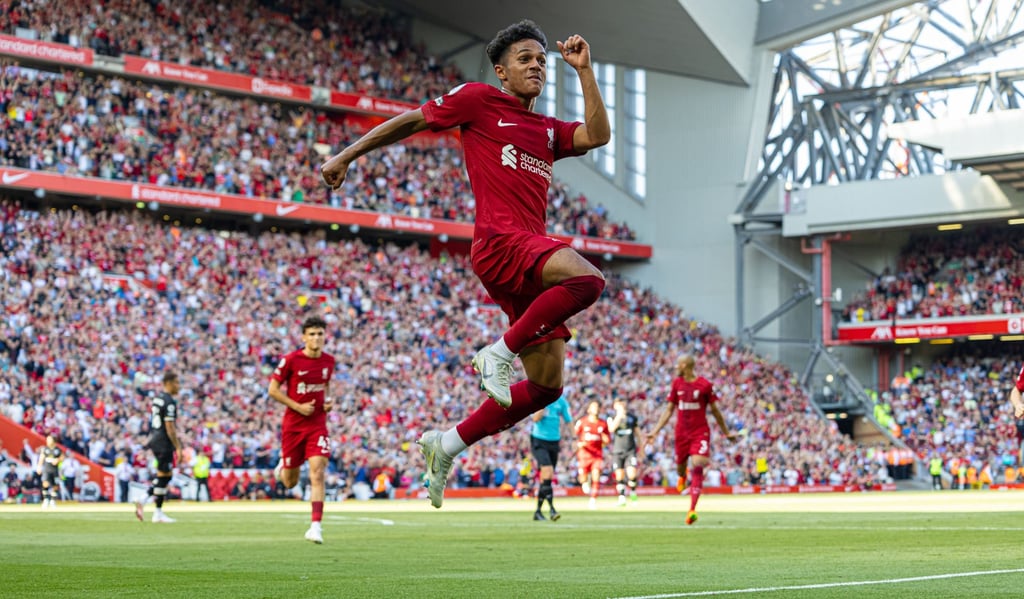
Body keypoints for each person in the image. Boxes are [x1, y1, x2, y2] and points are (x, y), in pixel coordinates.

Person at [320, 19, 610, 510]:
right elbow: (413, 120)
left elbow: (598, 135)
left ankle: (447, 443)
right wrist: (348, 155)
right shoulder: (478, 100)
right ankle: (496, 353)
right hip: (501, 243)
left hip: (528, 256)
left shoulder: (546, 131)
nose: (537, 65)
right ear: (501, 71)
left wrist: (584, 72)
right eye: (525, 59)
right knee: (588, 278)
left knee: (546, 387)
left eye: (542, 60)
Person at [268, 315, 336, 543]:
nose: (317, 338)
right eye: (312, 334)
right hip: (293, 427)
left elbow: (326, 386)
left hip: (317, 425)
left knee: (318, 472)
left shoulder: (329, 361)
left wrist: (329, 401)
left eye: (320, 333)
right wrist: (297, 406)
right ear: (304, 337)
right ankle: (282, 467)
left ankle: (315, 526)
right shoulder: (291, 360)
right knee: (290, 482)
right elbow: (273, 390)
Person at [646, 355, 737, 525]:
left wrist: (726, 432)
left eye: (678, 365)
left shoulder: (704, 385)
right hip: (681, 433)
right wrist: (655, 431)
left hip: (699, 432)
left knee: (698, 463)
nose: (676, 368)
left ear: (686, 366)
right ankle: (682, 476)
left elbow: (716, 411)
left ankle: (692, 509)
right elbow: (668, 410)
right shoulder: (677, 384)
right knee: (681, 467)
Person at [137, 371, 183, 523]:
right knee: (164, 475)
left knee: (165, 475)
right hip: (163, 441)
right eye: (176, 383)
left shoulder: (158, 399)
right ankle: (150, 505)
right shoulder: (169, 401)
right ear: (168, 383)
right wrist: (178, 446)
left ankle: (151, 505)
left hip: (155, 438)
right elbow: (169, 426)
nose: (178, 386)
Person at [529, 389, 572, 521]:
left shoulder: (561, 401)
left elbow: (568, 421)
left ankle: (538, 511)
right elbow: (536, 418)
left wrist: (575, 439)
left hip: (554, 441)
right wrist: (543, 404)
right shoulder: (538, 400)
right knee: (547, 472)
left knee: (546, 478)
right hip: (539, 440)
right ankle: (552, 509)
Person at [574, 400, 611, 510]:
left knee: (596, 476)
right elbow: (573, 436)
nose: (596, 409)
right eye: (594, 407)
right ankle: (585, 482)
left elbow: (607, 440)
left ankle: (593, 499)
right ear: (589, 409)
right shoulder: (582, 422)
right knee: (583, 479)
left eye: (597, 407)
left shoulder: (603, 424)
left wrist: (606, 441)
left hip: (597, 455)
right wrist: (578, 444)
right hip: (584, 454)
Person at [607, 398, 641, 506]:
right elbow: (611, 429)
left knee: (631, 473)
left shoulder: (632, 417)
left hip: (630, 450)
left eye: (623, 402)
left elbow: (638, 434)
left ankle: (633, 491)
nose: (622, 405)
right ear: (615, 406)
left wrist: (642, 449)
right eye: (619, 403)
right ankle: (622, 497)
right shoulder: (611, 417)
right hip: (617, 450)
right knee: (619, 475)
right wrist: (619, 415)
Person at [35, 434, 63, 509]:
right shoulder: (45, 449)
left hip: (55, 470)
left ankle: (53, 500)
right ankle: (46, 499)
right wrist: (39, 467)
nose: (47, 441)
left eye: (49, 439)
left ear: (53, 441)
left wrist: (58, 460)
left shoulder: (58, 450)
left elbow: (62, 458)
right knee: (45, 483)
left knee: (55, 485)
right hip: (47, 469)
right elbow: (41, 458)